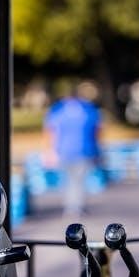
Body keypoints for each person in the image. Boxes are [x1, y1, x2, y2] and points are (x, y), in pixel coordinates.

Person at [44, 81, 101, 216]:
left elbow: (51, 132)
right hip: (83, 150)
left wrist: (50, 151)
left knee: (69, 180)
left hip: (64, 151)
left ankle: (71, 205)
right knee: (78, 180)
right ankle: (75, 206)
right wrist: (97, 150)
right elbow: (97, 131)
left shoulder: (58, 110)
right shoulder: (88, 110)